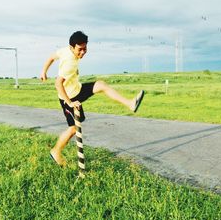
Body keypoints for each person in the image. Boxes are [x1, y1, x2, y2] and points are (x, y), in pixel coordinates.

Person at [40, 31, 145, 167]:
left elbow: (51, 57)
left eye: (85, 48)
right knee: (73, 129)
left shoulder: (65, 50)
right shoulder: (70, 63)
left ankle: (130, 104)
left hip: (77, 89)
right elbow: (58, 84)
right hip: (69, 97)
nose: (83, 52)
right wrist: (70, 103)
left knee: (100, 85)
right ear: (72, 47)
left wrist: (44, 71)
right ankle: (55, 152)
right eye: (80, 49)